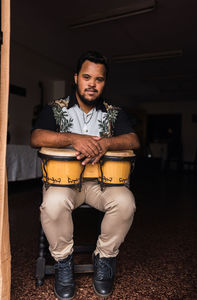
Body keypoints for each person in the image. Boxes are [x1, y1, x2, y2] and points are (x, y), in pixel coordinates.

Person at [31, 50, 140, 300]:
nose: (92, 84)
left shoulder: (114, 112)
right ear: (76, 78)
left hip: (103, 183)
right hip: (64, 183)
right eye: (87, 77)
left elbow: (133, 140)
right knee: (52, 204)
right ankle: (63, 262)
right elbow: (36, 137)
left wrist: (107, 144)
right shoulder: (55, 109)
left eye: (99, 79)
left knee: (126, 203)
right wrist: (73, 138)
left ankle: (104, 258)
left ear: (104, 83)